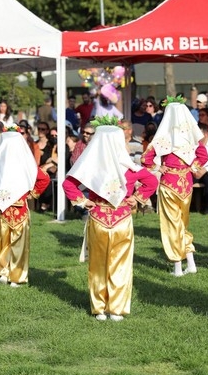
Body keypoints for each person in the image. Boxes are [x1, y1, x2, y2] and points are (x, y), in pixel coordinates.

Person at [63, 117, 158, 321]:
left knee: (98, 264)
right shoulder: (129, 167)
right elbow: (151, 181)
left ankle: (99, 308)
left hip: (98, 218)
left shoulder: (90, 167)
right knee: (121, 264)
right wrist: (137, 198)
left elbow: (68, 184)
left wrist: (83, 201)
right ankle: (116, 308)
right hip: (122, 219)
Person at [0, 128, 50, 287]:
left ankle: (4, 272)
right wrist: (32, 193)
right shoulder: (26, 164)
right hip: (19, 207)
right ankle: (16, 276)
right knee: (19, 243)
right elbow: (44, 179)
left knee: (4, 241)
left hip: (2, 209)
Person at [142, 97, 208, 276]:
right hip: (186, 184)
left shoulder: (163, 137)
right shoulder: (192, 138)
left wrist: (158, 167)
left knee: (172, 225)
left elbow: (145, 159)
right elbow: (204, 156)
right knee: (183, 224)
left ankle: (178, 267)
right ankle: (191, 263)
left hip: (169, 184)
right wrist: (191, 167)